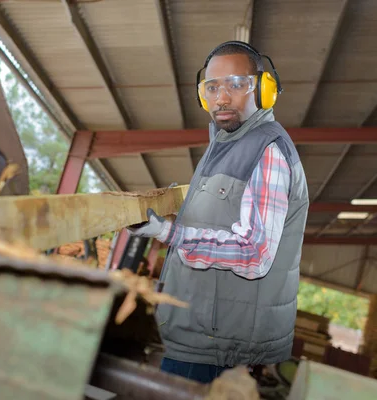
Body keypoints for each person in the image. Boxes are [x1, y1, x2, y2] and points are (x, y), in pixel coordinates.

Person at [128, 41, 309, 384]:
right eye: (212, 87)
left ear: (264, 90)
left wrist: (169, 233)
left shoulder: (267, 150)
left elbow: (254, 254)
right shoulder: (224, 145)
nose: (222, 97)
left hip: (224, 351)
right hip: (205, 336)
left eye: (237, 84)